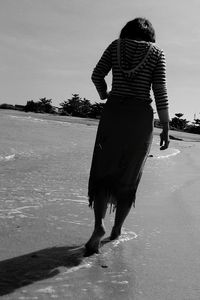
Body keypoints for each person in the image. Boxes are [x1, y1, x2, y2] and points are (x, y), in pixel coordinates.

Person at [85, 18, 170, 254]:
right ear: (151, 35)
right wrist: (165, 125)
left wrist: (104, 94)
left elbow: (96, 75)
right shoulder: (156, 53)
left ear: (126, 31)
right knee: (129, 175)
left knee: (103, 171)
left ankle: (99, 225)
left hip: (113, 113)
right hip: (140, 117)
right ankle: (117, 230)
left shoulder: (116, 45)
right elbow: (160, 89)